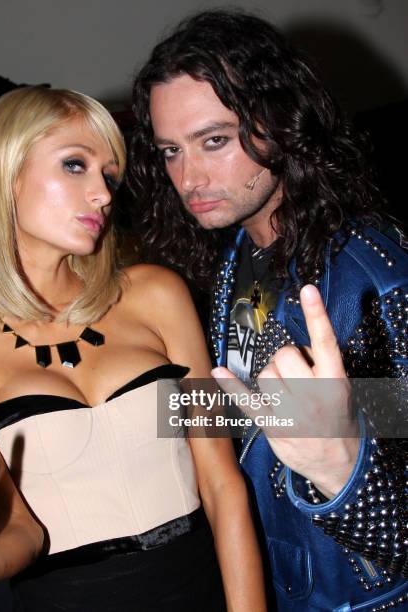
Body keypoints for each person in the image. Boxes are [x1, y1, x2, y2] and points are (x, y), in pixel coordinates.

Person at [0, 86, 266, 611]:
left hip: (200, 587)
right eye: (75, 165)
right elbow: (16, 525)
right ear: (8, 172)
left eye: (108, 175)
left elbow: (221, 480)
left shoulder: (156, 296)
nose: (103, 194)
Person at [129, 10, 408, 611]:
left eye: (215, 141)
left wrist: (343, 471)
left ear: (280, 123)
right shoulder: (229, 258)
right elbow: (253, 410)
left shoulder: (376, 276)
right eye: (171, 150)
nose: (189, 176)